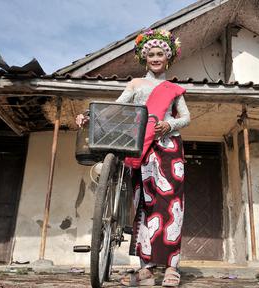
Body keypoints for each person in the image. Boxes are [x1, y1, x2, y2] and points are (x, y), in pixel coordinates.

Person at [77, 29, 190, 287]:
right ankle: (146, 269)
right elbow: (115, 109)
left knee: (172, 207)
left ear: (168, 57)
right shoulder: (135, 85)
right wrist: (88, 115)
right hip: (142, 149)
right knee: (144, 206)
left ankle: (172, 268)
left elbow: (186, 117)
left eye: (160, 53)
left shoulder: (174, 89)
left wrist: (169, 125)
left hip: (169, 150)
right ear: (144, 58)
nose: (156, 58)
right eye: (151, 54)